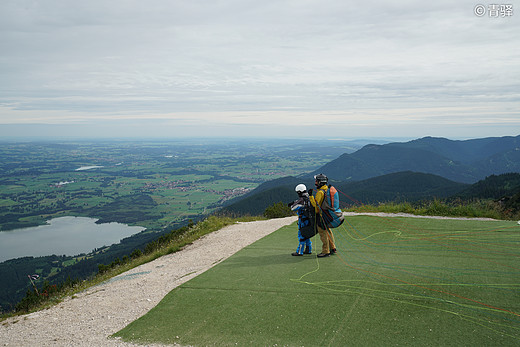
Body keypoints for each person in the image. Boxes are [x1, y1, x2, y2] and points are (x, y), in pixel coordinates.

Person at [309, 173, 343, 257]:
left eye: (316, 181)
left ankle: (325, 251)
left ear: (320, 182)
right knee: (328, 231)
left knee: (323, 233)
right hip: (328, 215)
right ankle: (333, 248)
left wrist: (310, 196)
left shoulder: (320, 192)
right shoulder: (327, 189)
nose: (315, 183)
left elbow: (316, 207)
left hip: (322, 216)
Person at [288, 184, 314, 256]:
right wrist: (295, 201)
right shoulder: (308, 197)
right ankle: (308, 249)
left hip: (303, 220)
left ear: (299, 192)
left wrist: (294, 203)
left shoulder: (302, 200)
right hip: (308, 219)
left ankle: (299, 251)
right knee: (306, 234)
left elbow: (293, 208)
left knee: (302, 235)